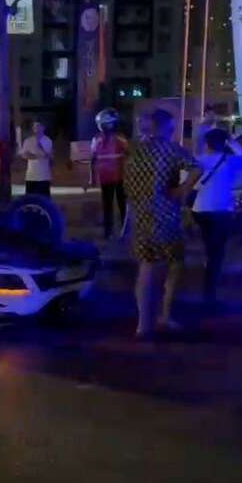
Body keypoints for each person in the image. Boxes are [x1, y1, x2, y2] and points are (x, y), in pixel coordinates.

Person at [123, 109, 202, 338]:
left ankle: (144, 320)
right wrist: (182, 190)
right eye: (172, 126)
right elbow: (197, 167)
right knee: (164, 268)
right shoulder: (169, 149)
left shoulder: (134, 151)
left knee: (145, 267)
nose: (174, 130)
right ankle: (157, 320)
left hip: (139, 215)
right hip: (164, 216)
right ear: (165, 127)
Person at [191, 128, 242, 308]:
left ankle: (208, 280)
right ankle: (209, 291)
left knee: (210, 248)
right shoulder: (231, 161)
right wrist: (232, 143)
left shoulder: (200, 160)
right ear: (224, 143)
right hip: (221, 211)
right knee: (217, 252)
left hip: (201, 210)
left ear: (207, 143)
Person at [90, 108, 129, 239]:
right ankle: (108, 232)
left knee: (122, 205)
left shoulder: (120, 138)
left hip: (120, 177)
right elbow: (93, 159)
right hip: (105, 177)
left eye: (107, 123)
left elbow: (129, 156)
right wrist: (92, 177)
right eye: (103, 124)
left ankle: (125, 230)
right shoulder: (97, 139)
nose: (105, 126)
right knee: (107, 205)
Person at [19, 121, 53, 197]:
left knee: (44, 198)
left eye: (38, 126)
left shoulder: (47, 140)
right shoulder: (28, 140)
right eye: (34, 127)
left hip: (44, 176)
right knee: (30, 198)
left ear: (43, 128)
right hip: (31, 175)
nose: (36, 128)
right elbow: (24, 155)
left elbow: (48, 155)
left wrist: (39, 150)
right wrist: (36, 156)